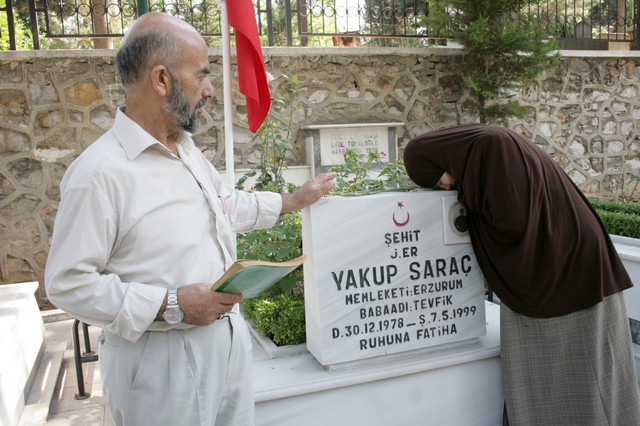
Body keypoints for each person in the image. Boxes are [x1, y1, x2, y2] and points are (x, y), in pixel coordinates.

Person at [44, 12, 336, 426]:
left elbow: (221, 206)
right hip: (160, 366)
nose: (211, 90)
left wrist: (290, 200)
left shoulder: (185, 149)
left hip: (226, 344)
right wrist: (172, 304)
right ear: (161, 79)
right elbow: (68, 284)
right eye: (201, 75)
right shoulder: (98, 175)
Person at [403, 123, 640, 425]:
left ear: (439, 159)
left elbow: (513, 222)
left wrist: (470, 219)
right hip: (563, 260)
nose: (447, 186)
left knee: (587, 369)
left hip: (567, 268)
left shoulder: (493, 147)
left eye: (439, 179)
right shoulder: (486, 149)